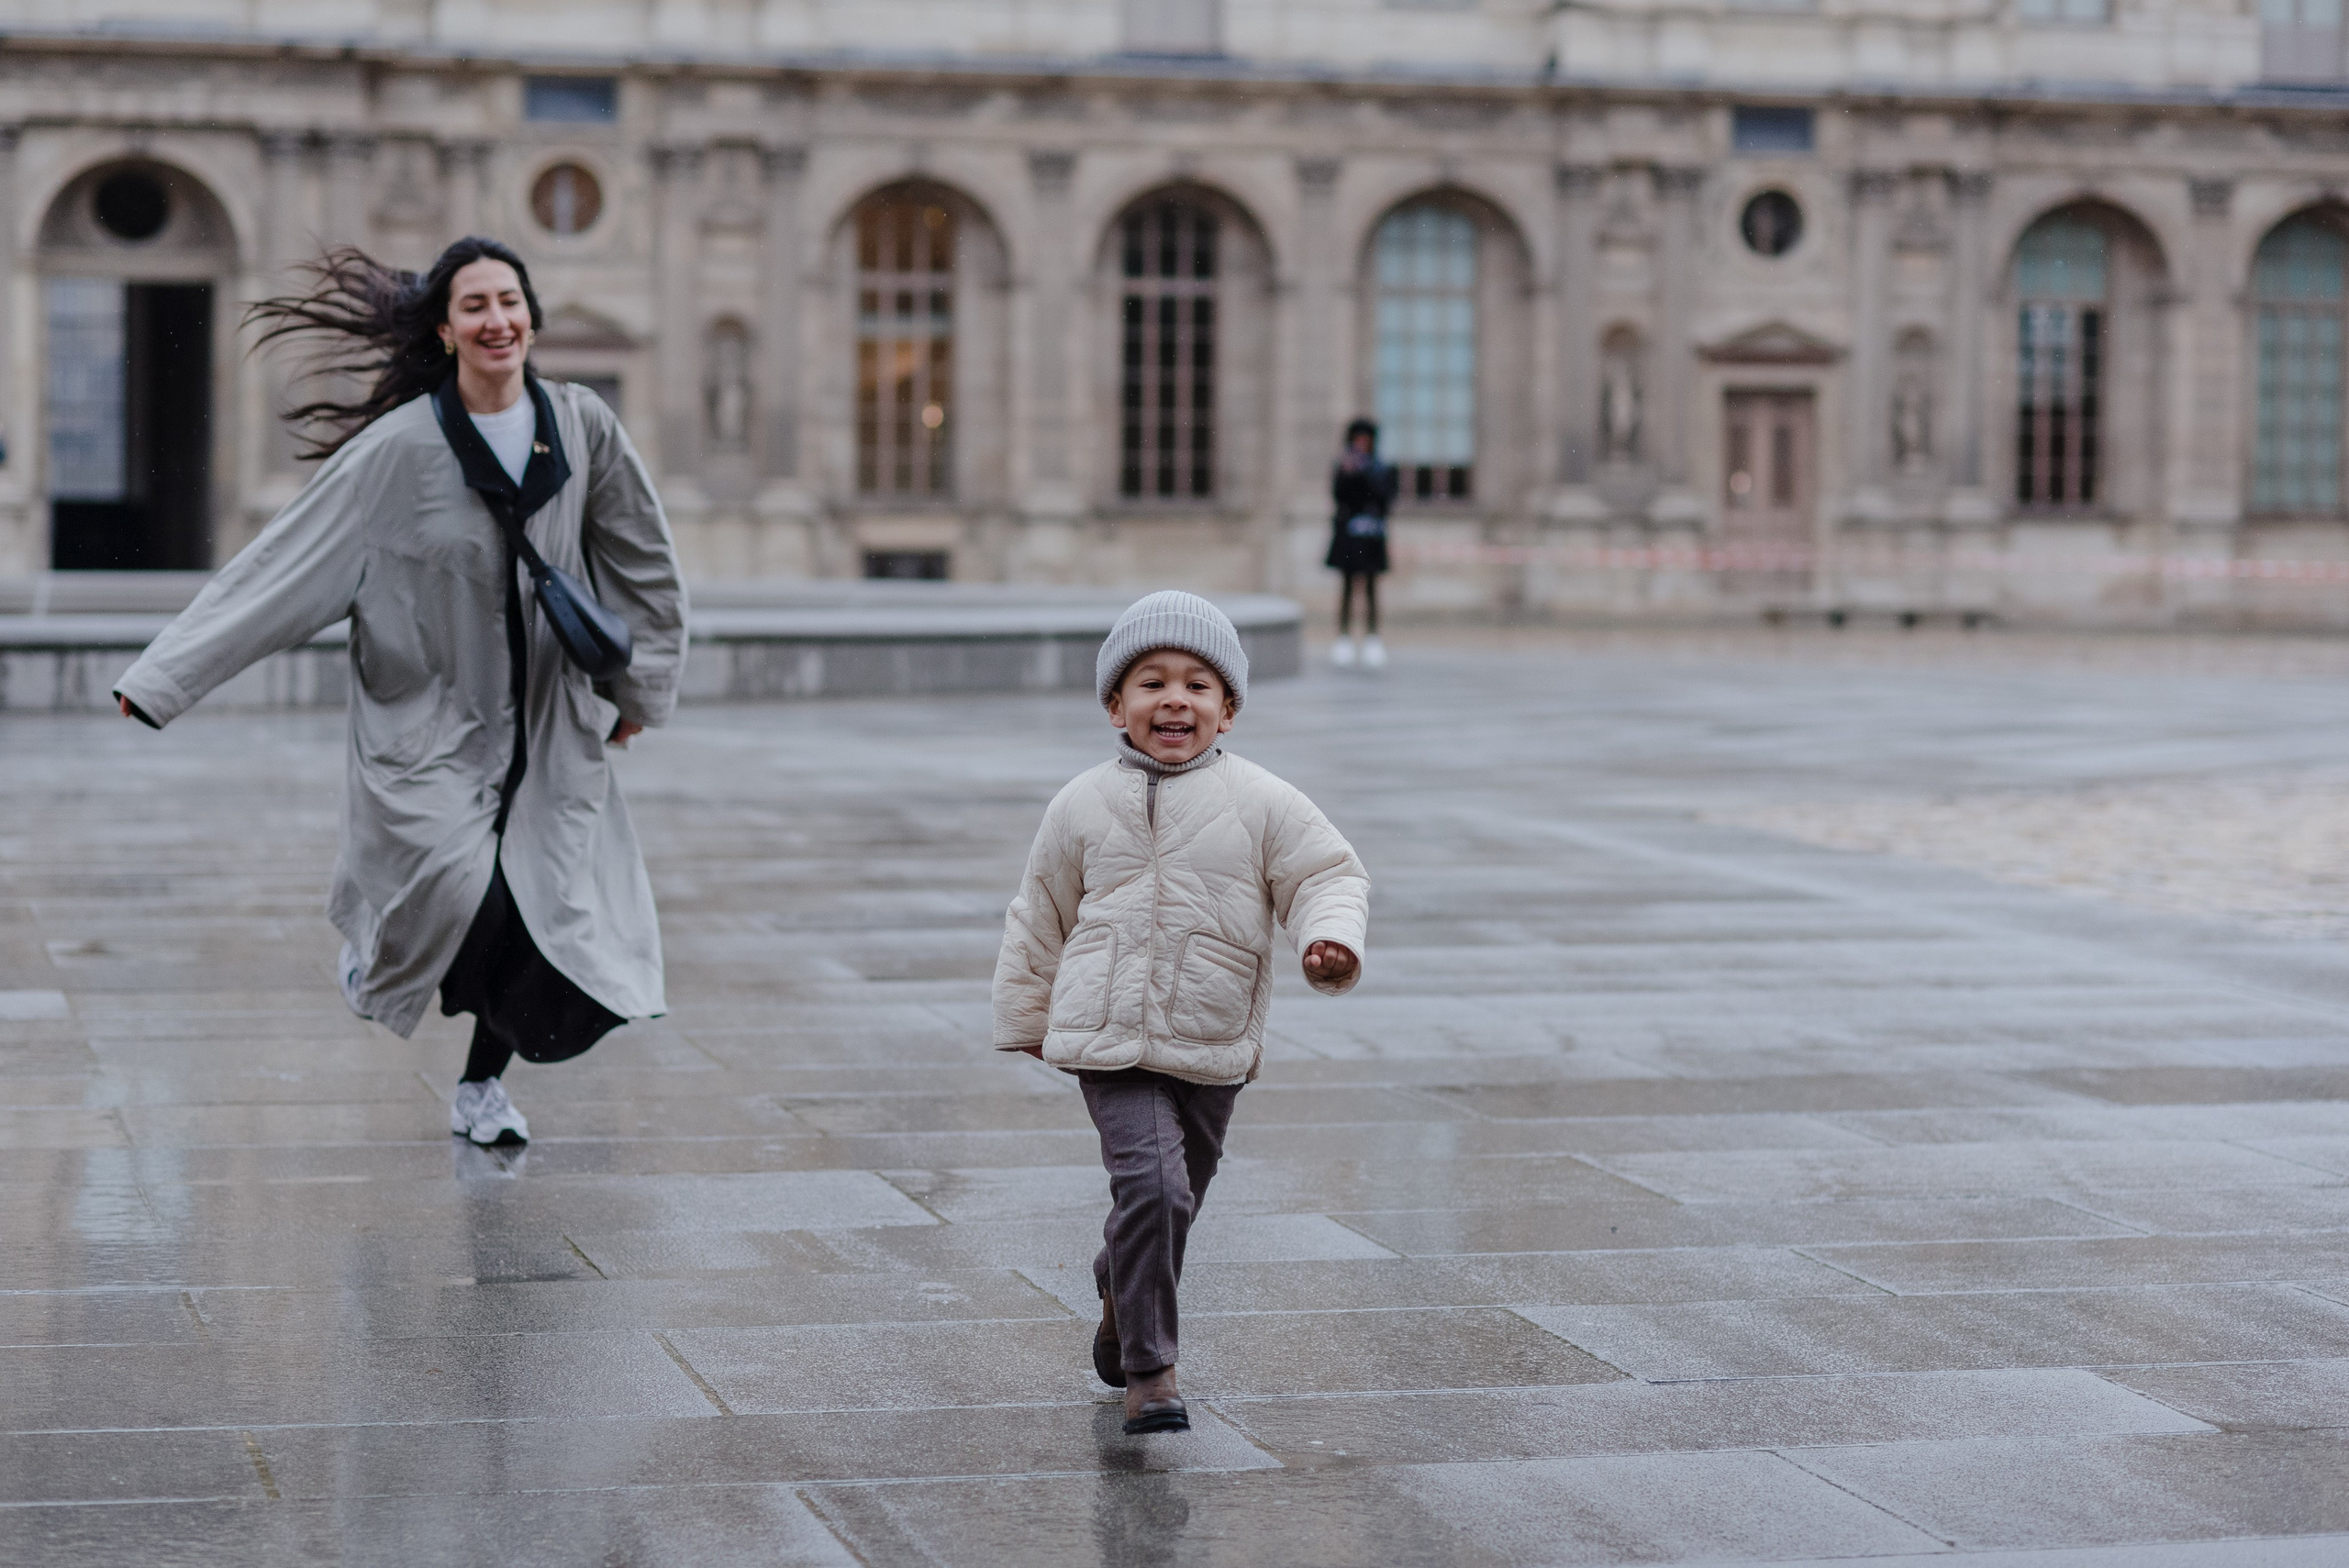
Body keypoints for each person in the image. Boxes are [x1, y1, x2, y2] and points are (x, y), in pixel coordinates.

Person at [111, 237, 687, 1147]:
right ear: (447, 329)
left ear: (531, 316)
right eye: (475, 306)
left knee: (540, 928)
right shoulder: (396, 451)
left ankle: (479, 1089)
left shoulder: (581, 426)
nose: (497, 319)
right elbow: (280, 567)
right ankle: (377, 952)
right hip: (432, 723)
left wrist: (640, 691)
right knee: (467, 893)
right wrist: (163, 676)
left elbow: (646, 565)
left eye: (510, 301)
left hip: (548, 723)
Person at [993, 591, 1370, 1434]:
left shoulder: (1263, 799)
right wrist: (1027, 1014)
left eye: (1198, 685)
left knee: (1173, 1197)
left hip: (1210, 1034)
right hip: (1107, 1036)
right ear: (1115, 705)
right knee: (1154, 1186)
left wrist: (1328, 938)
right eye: (1152, 682)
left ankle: (1119, 1285)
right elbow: (1039, 908)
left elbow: (1328, 874)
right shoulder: (1080, 802)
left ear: (1228, 708)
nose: (1175, 699)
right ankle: (1151, 1370)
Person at [1326, 417, 1397, 670]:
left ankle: (1372, 637)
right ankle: (1343, 637)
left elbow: (1386, 498)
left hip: (1371, 535)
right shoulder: (1344, 467)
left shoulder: (1380, 468)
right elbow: (1338, 496)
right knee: (1347, 587)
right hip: (1350, 534)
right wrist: (1349, 474)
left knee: (1371, 588)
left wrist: (1365, 475)